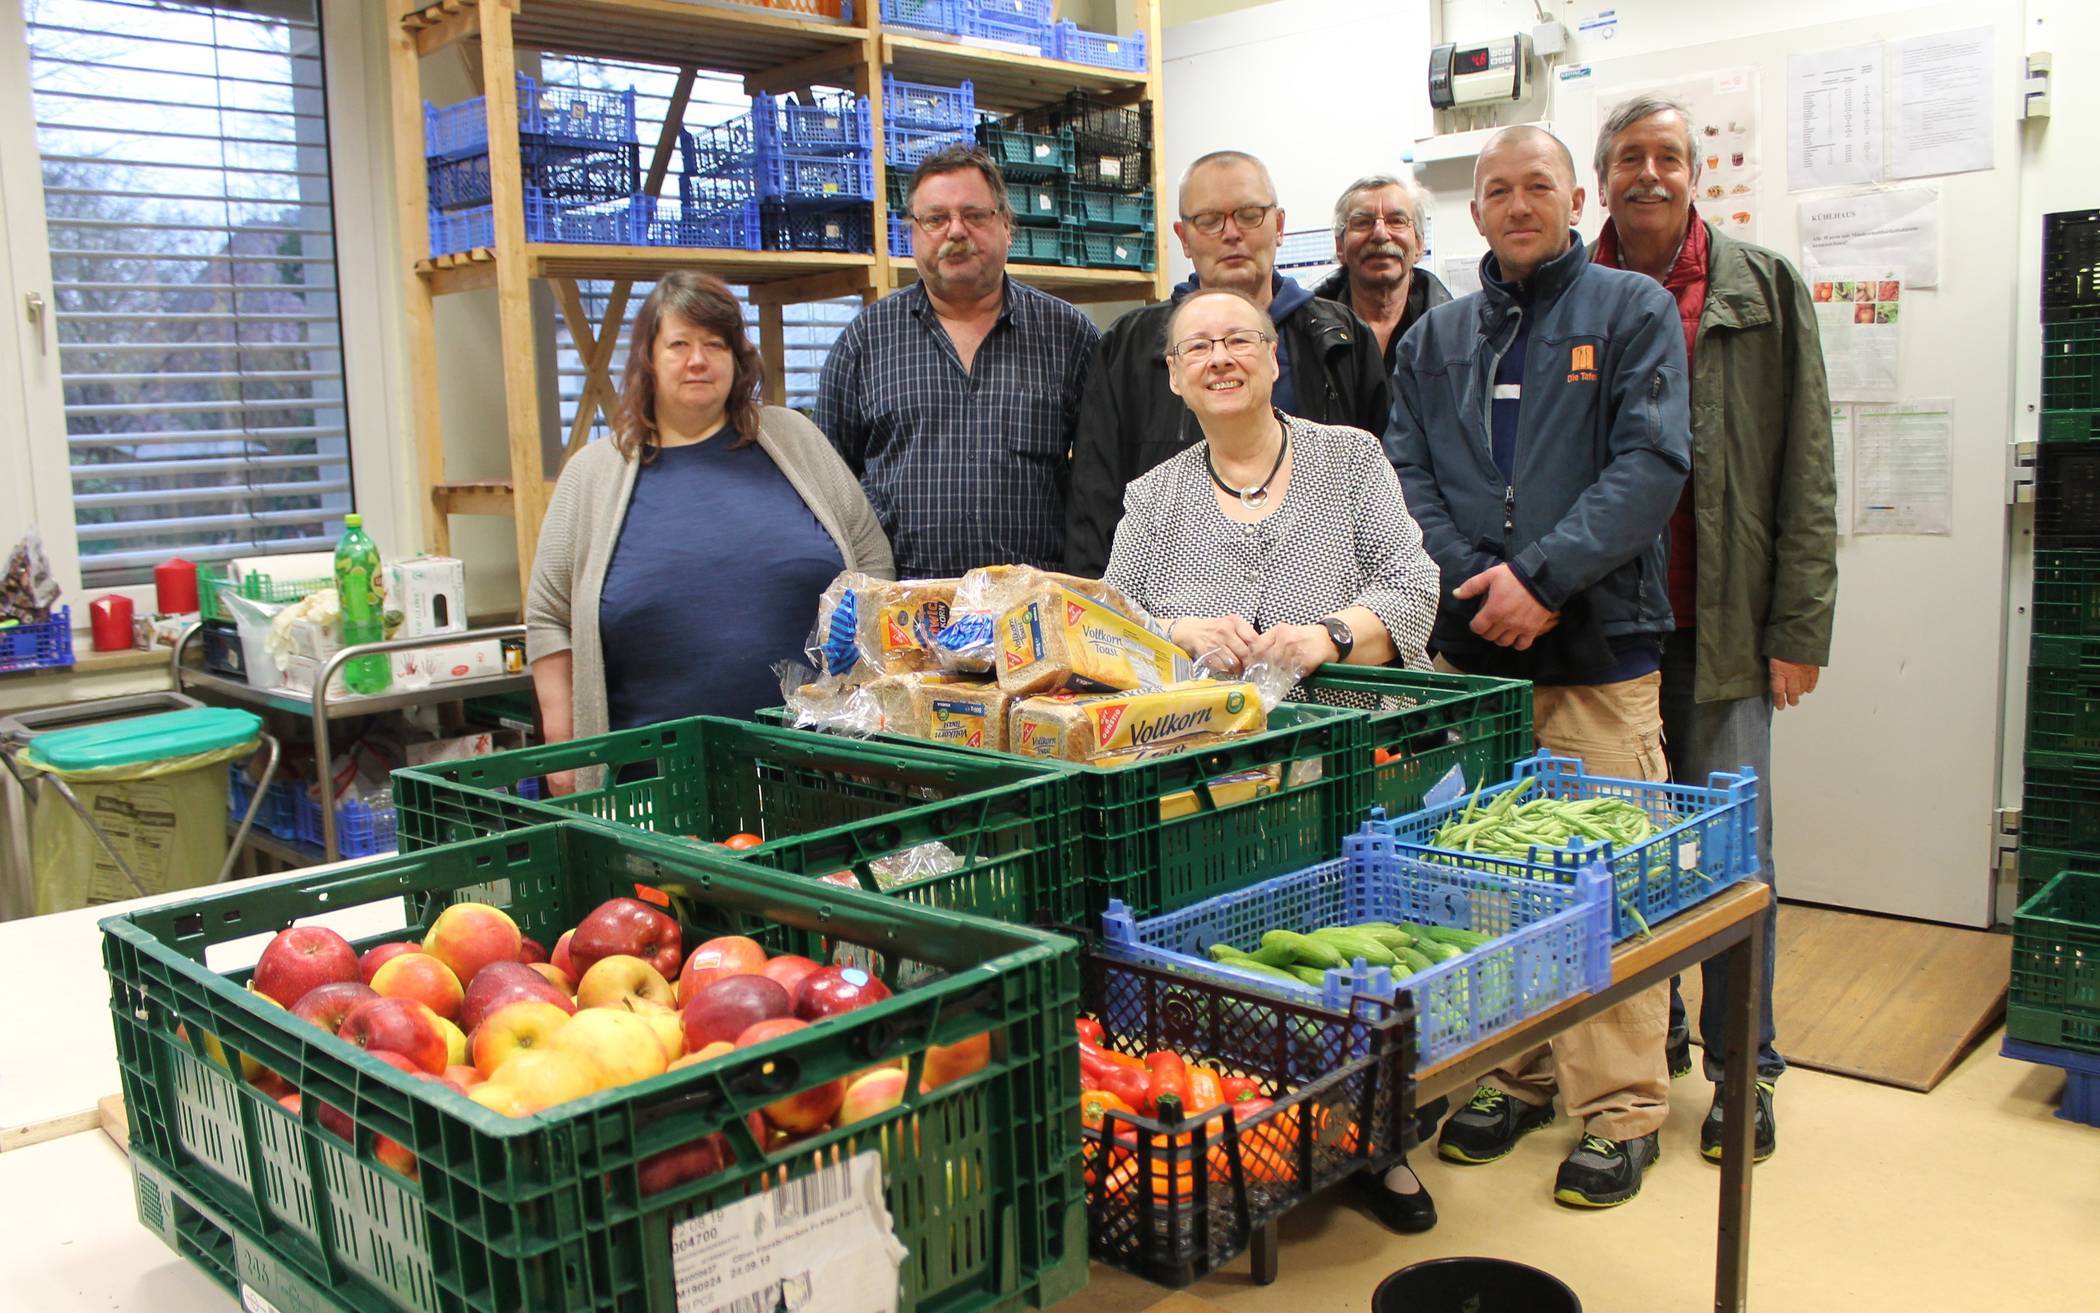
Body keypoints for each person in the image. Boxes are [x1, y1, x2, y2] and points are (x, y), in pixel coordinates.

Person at [1388, 124, 1692, 1209]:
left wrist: (1545, 577)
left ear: (1575, 199)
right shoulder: (1436, 338)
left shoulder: (1630, 311)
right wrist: (1479, 581)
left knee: (1609, 878)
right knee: (1487, 880)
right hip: (1475, 656)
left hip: (1600, 648)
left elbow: (1651, 463)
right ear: (1474, 213)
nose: (1519, 204)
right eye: (1498, 189)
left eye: (1539, 187)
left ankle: (1619, 1107)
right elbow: (1407, 473)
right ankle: (1510, 1071)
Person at [1105, 284, 1440, 1232]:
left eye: (1238, 340)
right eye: (1196, 347)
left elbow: (1414, 580)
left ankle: (1380, 1138)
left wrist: (1330, 632)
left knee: (1345, 953)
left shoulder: (1348, 459)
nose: (1220, 358)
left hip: (1346, 760)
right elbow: (1112, 623)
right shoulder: (1153, 496)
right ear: (1174, 376)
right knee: (1229, 958)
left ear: (1273, 355)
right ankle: (1245, 1137)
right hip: (1210, 782)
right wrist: (1175, 630)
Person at [1590, 94, 1837, 1163]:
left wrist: (1801, 624)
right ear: (1602, 176)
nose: (1649, 172)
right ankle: (1662, 1042)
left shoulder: (1762, 287)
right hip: (1609, 634)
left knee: (1737, 859)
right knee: (1623, 858)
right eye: (1629, 157)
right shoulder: (1573, 288)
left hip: (1728, 622)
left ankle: (1749, 1067)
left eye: (1669, 156)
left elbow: (1808, 464)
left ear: (1698, 173)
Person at [527, 272, 892, 787]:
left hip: (819, 775)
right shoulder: (592, 476)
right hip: (651, 791)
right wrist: (564, 751)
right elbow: (548, 617)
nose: (697, 360)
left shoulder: (797, 441)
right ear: (648, 361)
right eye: (678, 344)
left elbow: (873, 568)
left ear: (736, 360)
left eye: (714, 344)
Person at [1064, 150, 1391, 575]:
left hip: (1321, 619)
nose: (1231, 233)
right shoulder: (1127, 349)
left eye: (1250, 214)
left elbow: (1384, 494)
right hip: (1175, 619)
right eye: (1209, 220)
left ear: (1278, 226)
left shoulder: (1342, 341)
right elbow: (1095, 504)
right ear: (1183, 237)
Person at [815, 146, 1100, 578]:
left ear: (1007, 225)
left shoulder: (1069, 336)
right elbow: (827, 489)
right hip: (904, 612)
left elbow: (1103, 480)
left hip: (1034, 615)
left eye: (974, 215)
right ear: (912, 233)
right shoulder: (864, 341)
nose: (956, 231)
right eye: (935, 219)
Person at [1312, 171, 1452, 371]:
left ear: (1419, 245)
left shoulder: (1454, 330)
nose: (1380, 234)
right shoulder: (1306, 330)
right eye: (1362, 222)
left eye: (1397, 221)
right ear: (1340, 246)